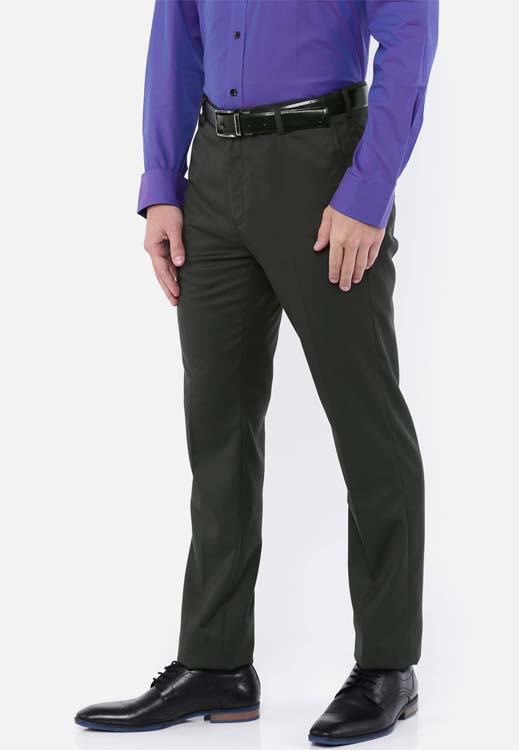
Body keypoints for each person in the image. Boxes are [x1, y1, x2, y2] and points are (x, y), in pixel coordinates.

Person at [74, 1, 438, 744]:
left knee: (366, 420)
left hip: (324, 168)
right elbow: (177, 34)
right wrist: (161, 183)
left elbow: (409, 34)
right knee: (217, 426)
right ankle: (215, 665)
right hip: (212, 175)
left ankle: (388, 664)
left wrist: (369, 189)